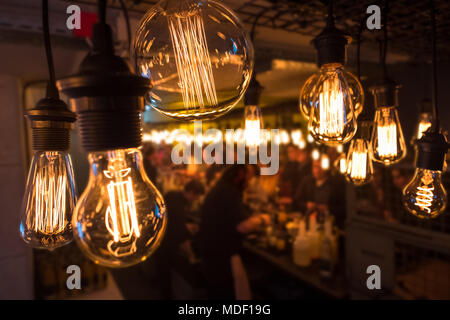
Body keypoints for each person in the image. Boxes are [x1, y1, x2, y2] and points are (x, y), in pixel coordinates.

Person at [197, 165, 270, 299]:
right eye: (249, 177)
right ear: (240, 175)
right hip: (221, 256)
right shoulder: (230, 192)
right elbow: (242, 227)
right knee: (226, 294)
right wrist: (263, 219)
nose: (249, 182)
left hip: (210, 252)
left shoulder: (221, 188)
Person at [155, 179, 205, 299]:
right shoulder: (178, 204)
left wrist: (185, 226)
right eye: (196, 197)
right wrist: (192, 257)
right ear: (192, 192)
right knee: (165, 275)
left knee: (163, 273)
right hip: (164, 243)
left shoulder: (173, 195)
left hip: (158, 236)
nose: (195, 200)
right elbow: (180, 236)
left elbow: (172, 221)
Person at [293, 159, 346, 228]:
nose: (317, 170)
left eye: (320, 167)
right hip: (308, 223)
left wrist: (328, 209)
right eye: (315, 167)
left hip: (330, 225)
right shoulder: (307, 181)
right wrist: (306, 205)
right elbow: (296, 200)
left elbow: (344, 208)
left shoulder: (335, 184)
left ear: (326, 168)